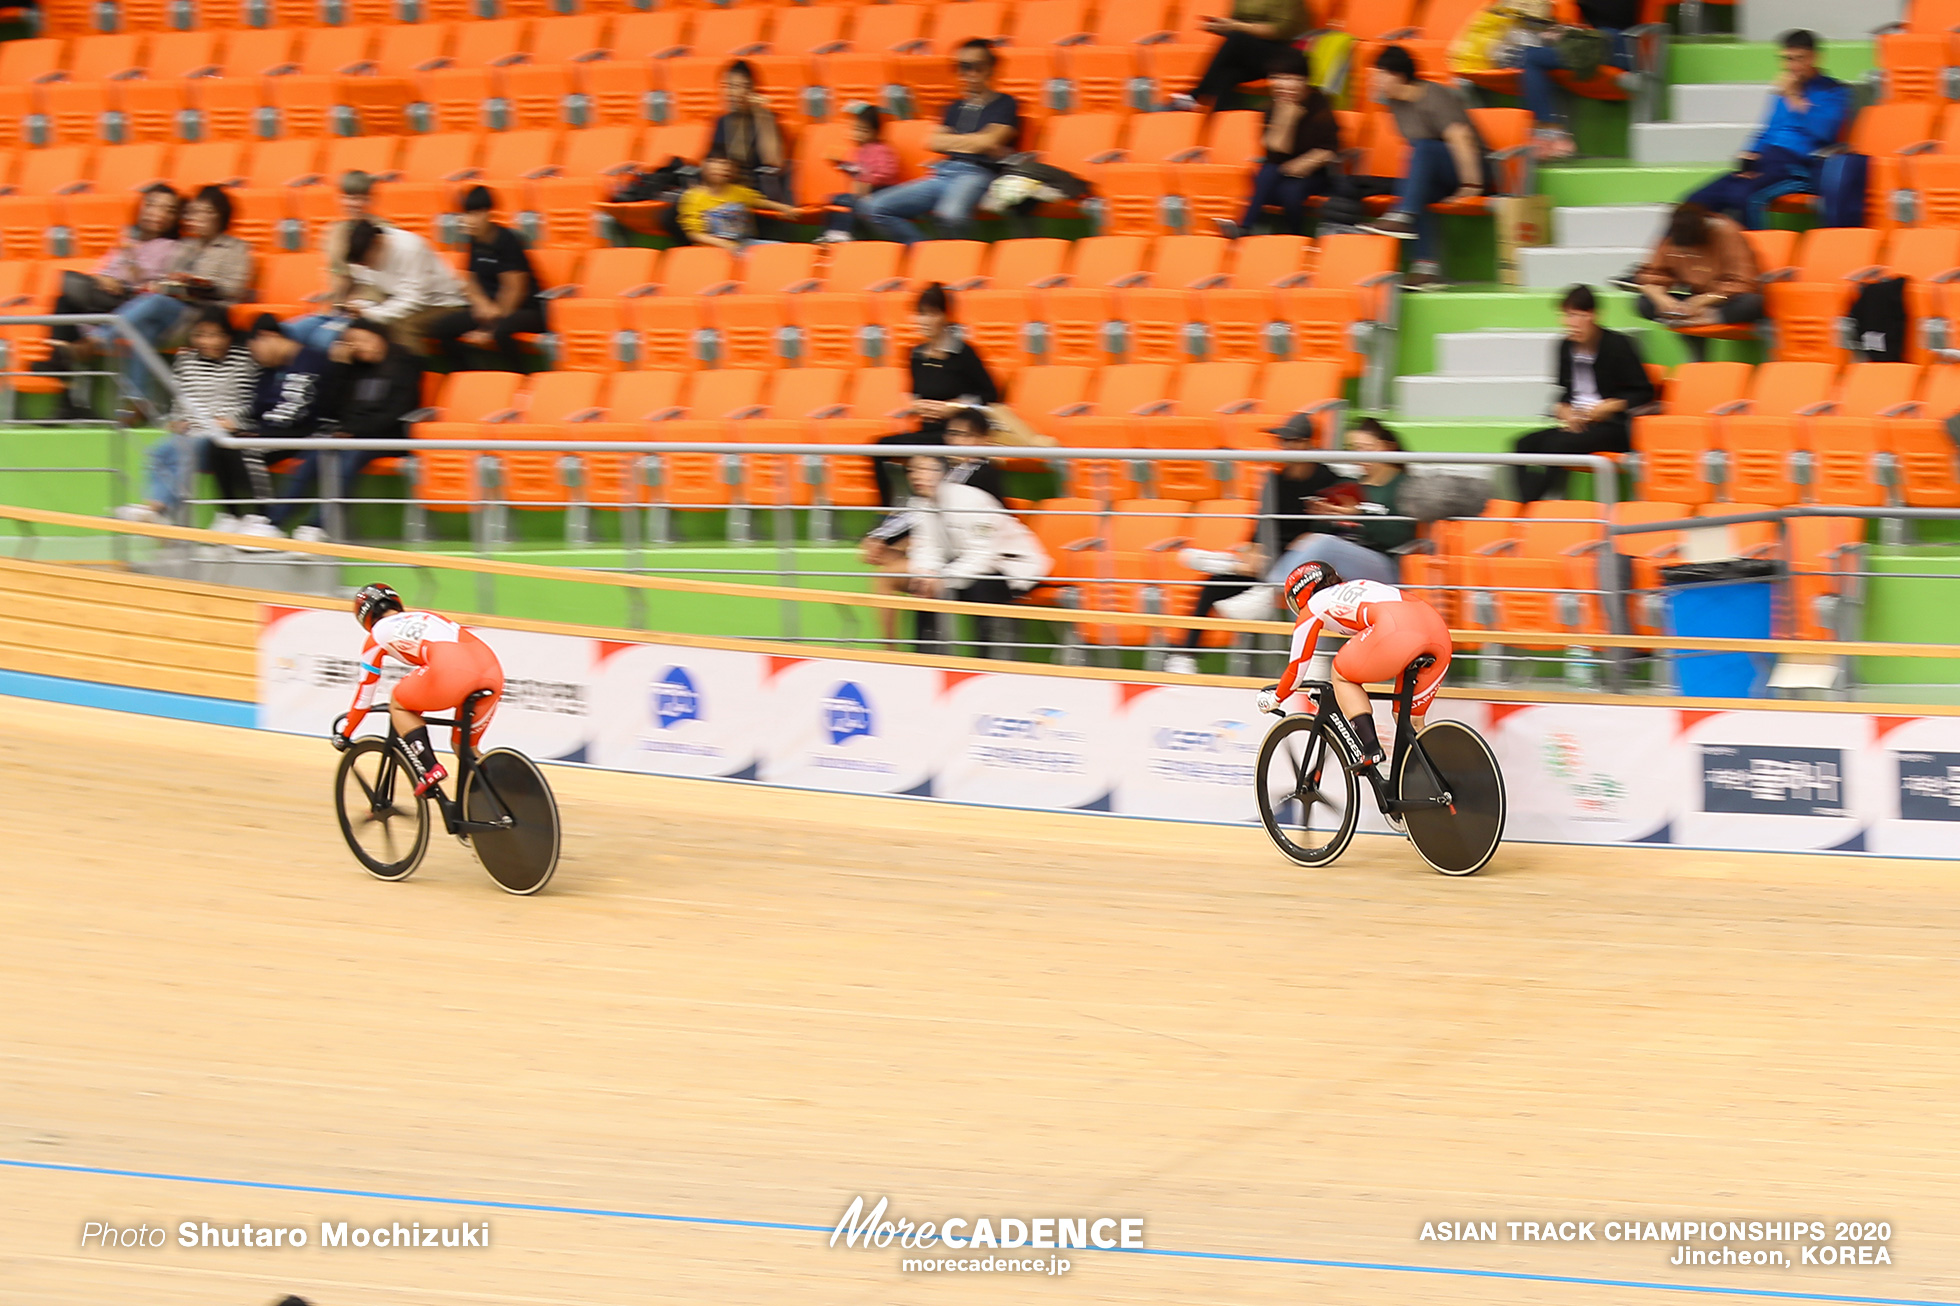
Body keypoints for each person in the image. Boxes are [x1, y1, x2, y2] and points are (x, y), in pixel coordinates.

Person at [1256, 561, 1454, 776]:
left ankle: (1371, 748)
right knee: (1409, 721)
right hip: (1438, 631)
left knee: (1341, 675)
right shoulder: (1357, 586)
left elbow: (1297, 667)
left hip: (1397, 631)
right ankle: (1435, 783)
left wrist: (1276, 697)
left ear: (1302, 594)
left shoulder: (1315, 604)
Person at [334, 583, 507, 799]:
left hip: (451, 672)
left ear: (365, 618)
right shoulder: (424, 615)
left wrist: (346, 733)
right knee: (464, 750)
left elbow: (364, 696)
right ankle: (505, 796)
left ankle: (431, 768)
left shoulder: (376, 636)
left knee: (398, 703)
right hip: (492, 670)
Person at [861, 407, 1009, 644]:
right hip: (951, 547)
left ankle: (891, 649)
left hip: (974, 557)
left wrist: (884, 538)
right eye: (952, 434)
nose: (956, 442)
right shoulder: (953, 470)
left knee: (889, 571)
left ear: (984, 439)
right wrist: (882, 538)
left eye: (965, 435)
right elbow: (920, 510)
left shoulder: (980, 472)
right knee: (891, 556)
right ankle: (914, 644)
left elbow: (925, 511)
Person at [1679, 30, 1850, 229]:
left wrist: (1794, 97)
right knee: (1694, 202)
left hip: (1798, 167)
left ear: (1815, 58)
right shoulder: (1783, 93)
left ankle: (1750, 257)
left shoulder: (1833, 91)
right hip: (1766, 161)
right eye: (1787, 59)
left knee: (1745, 196)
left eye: (1799, 59)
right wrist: (1749, 154)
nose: (1792, 66)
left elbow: (1824, 132)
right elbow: (1768, 130)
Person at [113, 307, 266, 528]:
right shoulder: (186, 360)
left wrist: (233, 421)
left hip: (222, 434)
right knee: (159, 452)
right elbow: (181, 397)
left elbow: (253, 400)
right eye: (200, 335)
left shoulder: (245, 359)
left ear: (227, 335)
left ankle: (157, 510)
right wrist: (177, 419)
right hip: (192, 429)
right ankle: (156, 508)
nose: (206, 341)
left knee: (187, 450)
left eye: (213, 335)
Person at [1359, 44, 1493, 291]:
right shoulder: (1394, 104)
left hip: (1474, 166)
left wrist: (1471, 185)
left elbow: (1461, 138)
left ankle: (1404, 215)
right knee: (1412, 185)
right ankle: (1426, 269)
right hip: (1442, 171)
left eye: (1378, 75)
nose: (1373, 81)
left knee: (1423, 149)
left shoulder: (1434, 96)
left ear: (1397, 75)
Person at [272, 318, 422, 539]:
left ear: (379, 337)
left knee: (349, 456)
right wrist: (340, 367)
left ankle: (317, 526)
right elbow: (330, 409)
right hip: (351, 434)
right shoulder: (354, 368)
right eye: (350, 342)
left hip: (387, 436)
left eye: (362, 340)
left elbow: (398, 411)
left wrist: (355, 432)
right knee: (315, 454)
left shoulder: (405, 364)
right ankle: (275, 522)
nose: (357, 346)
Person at [863, 39, 1021, 246]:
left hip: (978, 173)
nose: (969, 74)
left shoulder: (1005, 104)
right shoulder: (954, 107)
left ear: (991, 69)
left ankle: (963, 264)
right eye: (962, 67)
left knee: (950, 216)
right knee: (875, 208)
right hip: (944, 173)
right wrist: (977, 142)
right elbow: (933, 142)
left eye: (977, 67)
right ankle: (925, 252)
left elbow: (989, 141)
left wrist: (965, 142)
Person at [1512, 283, 1654, 503]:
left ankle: (1528, 506)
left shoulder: (1618, 345)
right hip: (1579, 424)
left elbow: (1644, 392)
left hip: (1612, 426)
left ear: (1593, 315)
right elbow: (1565, 394)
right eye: (1567, 316)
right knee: (1522, 444)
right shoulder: (1563, 347)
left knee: (1555, 446)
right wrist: (1563, 409)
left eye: (1578, 315)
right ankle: (1524, 502)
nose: (1572, 323)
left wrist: (1611, 406)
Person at [901, 453, 1053, 657]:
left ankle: (988, 661)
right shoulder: (920, 504)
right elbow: (926, 547)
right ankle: (924, 657)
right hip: (966, 565)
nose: (918, 476)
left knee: (980, 587)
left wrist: (943, 579)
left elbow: (984, 554)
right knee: (923, 588)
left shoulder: (970, 500)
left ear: (944, 473)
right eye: (913, 470)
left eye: (927, 469)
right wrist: (926, 572)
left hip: (1011, 564)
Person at [48, 183, 180, 416]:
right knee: (64, 299)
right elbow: (99, 271)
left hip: (134, 303)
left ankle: (62, 366)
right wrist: (103, 280)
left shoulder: (172, 248)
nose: (157, 213)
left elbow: (154, 288)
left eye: (168, 209)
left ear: (174, 217)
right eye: (151, 205)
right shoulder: (126, 243)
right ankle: (64, 388)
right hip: (108, 299)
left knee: (69, 306)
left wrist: (128, 263)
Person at [1219, 47, 1339, 239]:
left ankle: (1294, 238)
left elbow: (1331, 149)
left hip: (1313, 174)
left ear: (1305, 81)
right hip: (1280, 172)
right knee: (1270, 173)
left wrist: (1304, 163)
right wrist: (1287, 119)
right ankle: (1250, 229)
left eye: (1292, 79)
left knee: (1288, 190)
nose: (1284, 84)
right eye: (1279, 78)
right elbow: (1275, 151)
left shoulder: (1320, 105)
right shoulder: (1272, 107)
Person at [427, 186, 549, 372]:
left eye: (477, 213)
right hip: (492, 309)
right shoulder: (474, 241)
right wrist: (481, 303)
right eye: (467, 214)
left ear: (489, 213)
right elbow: (470, 278)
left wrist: (490, 327)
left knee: (501, 333)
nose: (470, 220)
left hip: (525, 309)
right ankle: (465, 373)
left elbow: (514, 289)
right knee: (442, 328)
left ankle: (520, 376)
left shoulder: (507, 240)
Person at [1624, 201, 1766, 355]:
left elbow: (1744, 282)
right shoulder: (1671, 237)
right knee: (1643, 303)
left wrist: (1703, 300)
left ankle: (1701, 318)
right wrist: (1663, 300)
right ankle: (1684, 317)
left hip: (1724, 300)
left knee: (1753, 302)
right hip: (1692, 303)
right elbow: (1653, 275)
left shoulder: (1726, 232)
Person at [1519, 0, 1638, 160]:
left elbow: (1617, 14)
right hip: (1597, 41)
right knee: (1526, 55)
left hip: (1620, 46)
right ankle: (1549, 133)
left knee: (1532, 58)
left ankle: (1551, 133)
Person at [334, 219, 469, 354]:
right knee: (359, 326)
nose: (365, 266)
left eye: (366, 261)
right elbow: (368, 286)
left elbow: (414, 298)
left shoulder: (411, 248)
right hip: (395, 298)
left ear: (378, 243)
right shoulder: (361, 256)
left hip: (440, 302)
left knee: (402, 326)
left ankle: (409, 369)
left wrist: (371, 313)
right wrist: (360, 305)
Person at [290, 171, 386, 350]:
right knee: (289, 333)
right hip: (338, 305)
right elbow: (336, 274)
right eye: (348, 197)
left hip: (369, 303)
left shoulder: (382, 231)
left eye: (360, 198)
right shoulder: (335, 231)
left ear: (370, 200)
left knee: (322, 340)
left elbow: (386, 281)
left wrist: (351, 303)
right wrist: (333, 301)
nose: (353, 204)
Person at [1166, 0, 1312, 114]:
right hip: (1251, 49)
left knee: (1237, 39)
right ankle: (1221, 119)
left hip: (1286, 53)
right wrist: (1221, 27)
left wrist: (1235, 27)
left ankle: (1196, 95)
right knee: (1229, 73)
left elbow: (1281, 31)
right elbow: (1236, 23)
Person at [677, 152, 804, 251]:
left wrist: (785, 208)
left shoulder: (739, 192)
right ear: (704, 166)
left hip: (743, 243)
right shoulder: (693, 197)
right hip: (712, 248)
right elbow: (694, 234)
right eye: (716, 163)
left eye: (726, 164)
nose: (722, 168)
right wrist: (725, 244)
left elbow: (760, 201)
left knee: (783, 249)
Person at [708, 59, 790, 206]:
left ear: (751, 90)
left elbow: (774, 161)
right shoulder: (722, 121)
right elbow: (712, 159)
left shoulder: (766, 119)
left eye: (737, 87)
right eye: (727, 86)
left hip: (754, 191)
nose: (731, 93)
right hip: (724, 189)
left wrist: (761, 114)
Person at [816, 104, 901, 245]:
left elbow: (886, 172)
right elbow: (860, 170)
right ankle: (831, 233)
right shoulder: (860, 150)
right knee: (835, 199)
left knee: (846, 201)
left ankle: (842, 234)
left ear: (875, 132)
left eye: (864, 130)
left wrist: (867, 178)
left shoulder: (881, 150)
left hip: (882, 191)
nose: (858, 134)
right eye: (856, 130)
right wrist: (844, 166)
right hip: (866, 190)